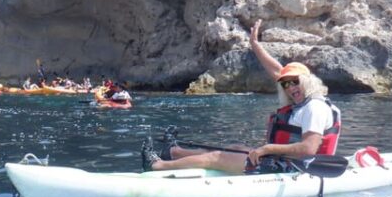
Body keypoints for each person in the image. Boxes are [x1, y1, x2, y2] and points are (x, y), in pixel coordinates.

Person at [142, 19, 341, 174]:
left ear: (307, 82)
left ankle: (158, 166)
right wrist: (255, 45)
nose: (290, 87)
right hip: (285, 161)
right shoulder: (305, 101)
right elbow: (277, 71)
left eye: (295, 82)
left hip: (297, 169)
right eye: (286, 84)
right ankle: (174, 152)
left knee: (218, 158)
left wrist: (267, 149)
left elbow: (308, 148)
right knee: (234, 147)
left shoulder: (314, 107)